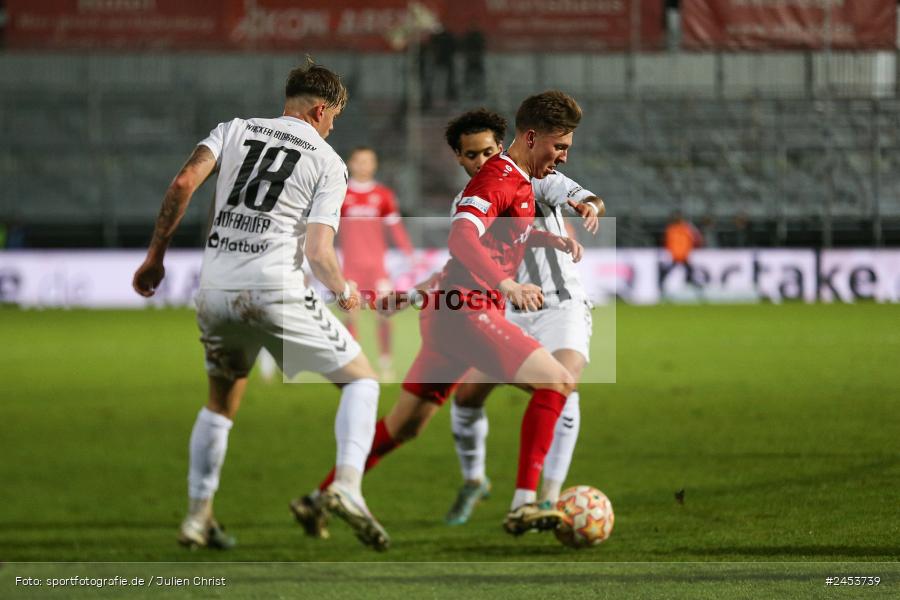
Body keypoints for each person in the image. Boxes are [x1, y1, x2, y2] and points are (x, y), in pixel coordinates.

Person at [293, 91, 587, 539]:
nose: (564, 156)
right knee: (558, 381)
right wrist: (506, 284)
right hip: (467, 311)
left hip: (448, 312)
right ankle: (526, 504)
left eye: (487, 151)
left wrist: (552, 242)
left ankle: (321, 498)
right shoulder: (499, 180)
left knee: (404, 425)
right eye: (560, 147)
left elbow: (498, 242)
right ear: (531, 137)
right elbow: (462, 240)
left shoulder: (520, 182)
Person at [132, 60, 391, 552]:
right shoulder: (328, 161)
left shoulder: (233, 130)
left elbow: (182, 185)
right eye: (333, 116)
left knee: (220, 403)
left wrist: (154, 258)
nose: (332, 126)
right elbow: (318, 251)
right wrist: (343, 289)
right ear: (319, 110)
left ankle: (197, 517)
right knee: (361, 379)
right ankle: (348, 487)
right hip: (274, 290)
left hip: (216, 292)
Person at [442, 109, 605, 526]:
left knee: (562, 386)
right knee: (466, 399)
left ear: (505, 146)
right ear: (460, 159)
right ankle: (475, 479)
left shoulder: (537, 174)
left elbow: (582, 194)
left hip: (557, 301)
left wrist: (587, 204)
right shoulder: (468, 201)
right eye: (471, 155)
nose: (481, 161)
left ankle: (546, 500)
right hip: (507, 309)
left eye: (488, 152)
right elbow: (469, 249)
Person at [339, 146, 414, 380]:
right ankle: (353, 365)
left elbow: (395, 228)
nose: (364, 165)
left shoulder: (383, 195)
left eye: (369, 161)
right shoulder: (340, 193)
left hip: (377, 268)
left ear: (374, 165)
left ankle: (385, 364)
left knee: (383, 313)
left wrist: (408, 253)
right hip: (350, 267)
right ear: (351, 163)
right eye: (360, 161)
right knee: (351, 315)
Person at [664, 211, 703, 289]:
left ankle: (690, 283)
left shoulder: (677, 229)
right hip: (679, 255)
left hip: (679, 255)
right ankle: (691, 283)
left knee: (687, 270)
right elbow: (695, 240)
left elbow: (667, 242)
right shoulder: (685, 229)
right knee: (688, 270)